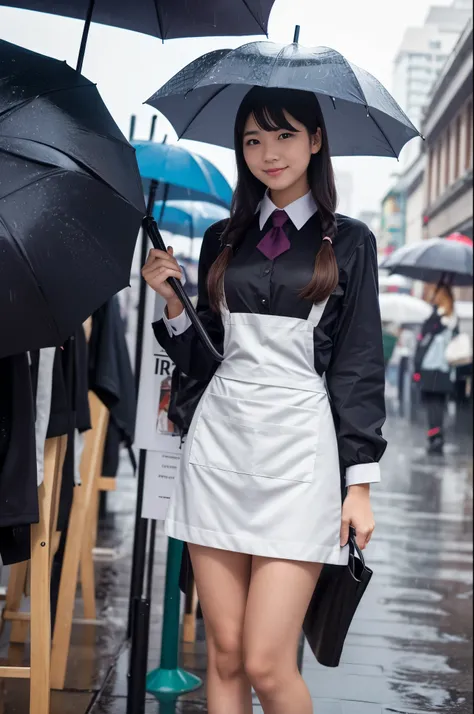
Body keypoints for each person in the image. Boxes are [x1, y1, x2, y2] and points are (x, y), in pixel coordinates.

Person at [142, 87, 386, 714]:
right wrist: (175, 305)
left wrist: (358, 484)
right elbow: (205, 359)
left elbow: (358, 365)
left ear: (315, 140)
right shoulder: (226, 236)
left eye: (283, 136)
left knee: (266, 663)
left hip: (300, 457)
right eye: (253, 139)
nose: (268, 153)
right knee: (223, 653)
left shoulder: (351, 242)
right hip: (218, 447)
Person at [414, 283, 458, 455]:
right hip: (445, 369)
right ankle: (437, 436)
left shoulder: (435, 319)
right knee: (439, 405)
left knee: (433, 405)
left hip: (431, 367)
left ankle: (435, 437)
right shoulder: (452, 318)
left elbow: (423, 343)